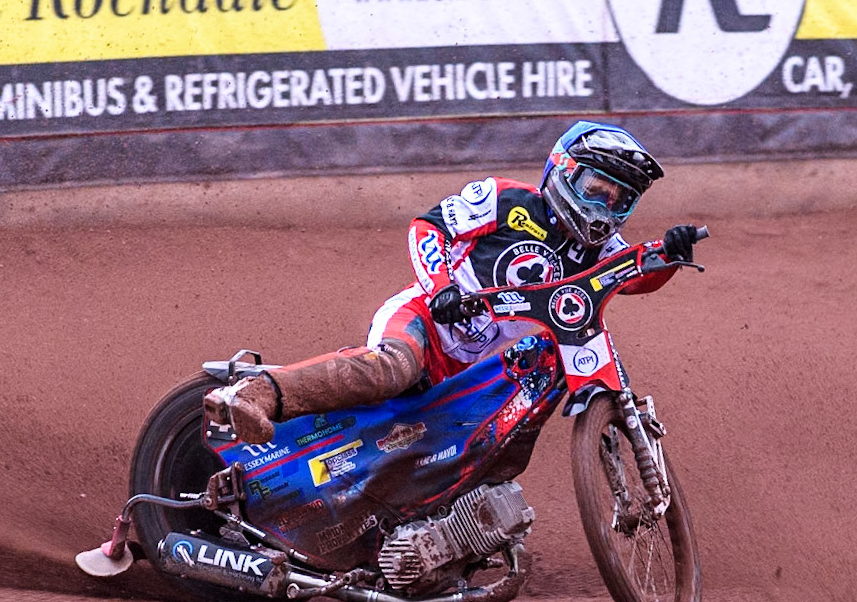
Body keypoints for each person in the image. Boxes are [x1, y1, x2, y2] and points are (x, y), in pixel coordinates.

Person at [204, 121, 701, 444]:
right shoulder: (505, 199)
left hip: (482, 375)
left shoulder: (599, 251)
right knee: (391, 371)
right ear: (563, 172)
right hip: (425, 321)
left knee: (493, 450)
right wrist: (442, 287)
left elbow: (636, 277)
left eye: (620, 201)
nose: (603, 209)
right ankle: (254, 394)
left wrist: (671, 255)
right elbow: (429, 227)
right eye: (596, 191)